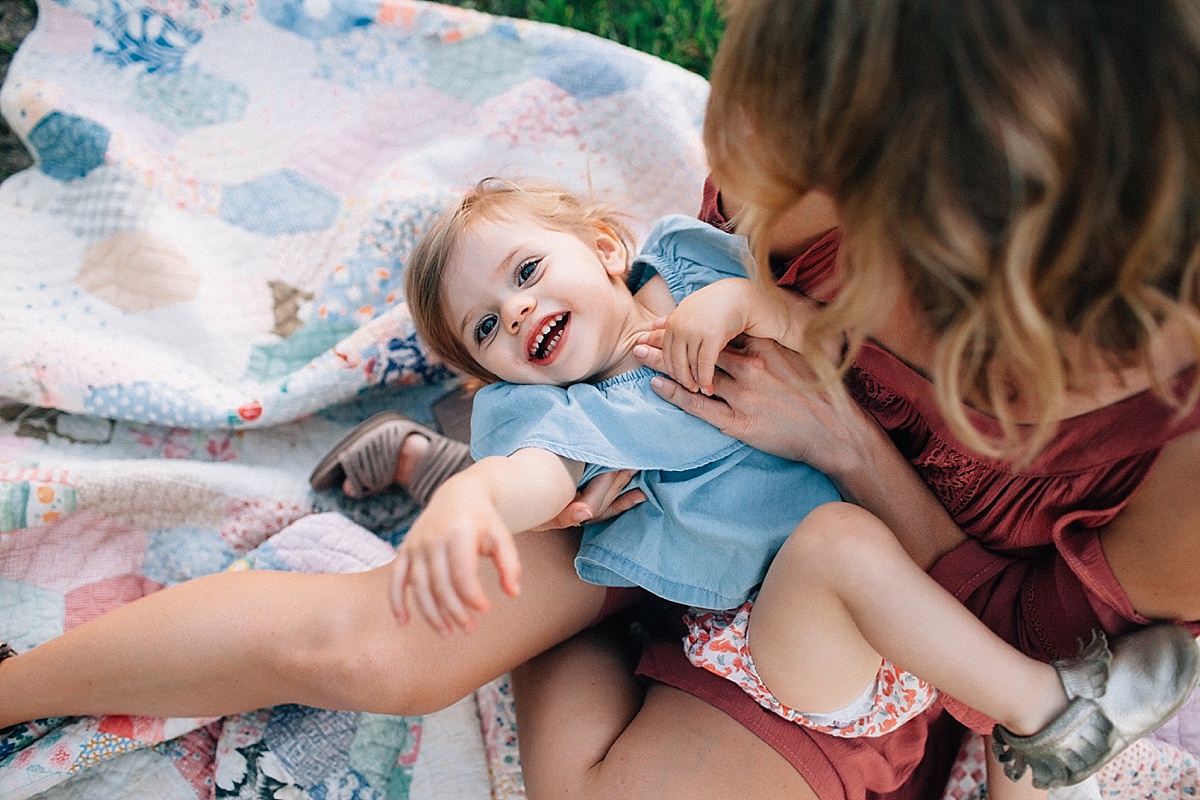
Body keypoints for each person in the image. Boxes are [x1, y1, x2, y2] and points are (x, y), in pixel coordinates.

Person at [2, 1, 1199, 798]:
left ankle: (448, 474)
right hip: (668, 491)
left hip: (868, 602)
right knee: (376, 641)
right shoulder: (863, 108)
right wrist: (759, 295)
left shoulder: (1178, 467)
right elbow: (703, 266)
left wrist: (851, 444)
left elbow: (1047, 647)